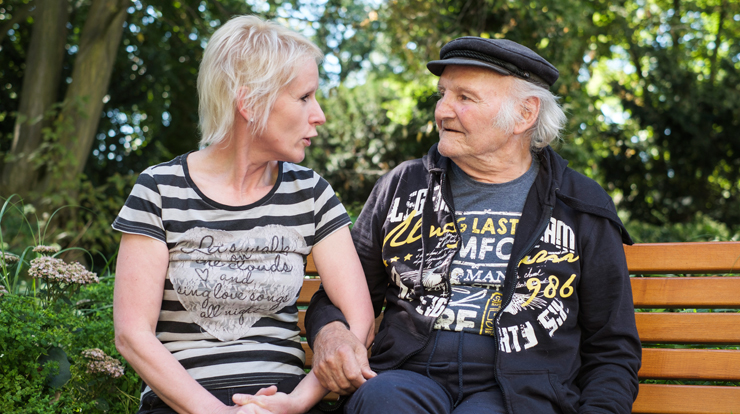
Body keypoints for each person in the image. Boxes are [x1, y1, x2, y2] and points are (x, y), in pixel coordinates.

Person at [302, 36, 641, 414]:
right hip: (406, 374)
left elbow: (612, 350)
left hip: (519, 393)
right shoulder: (403, 186)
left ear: (525, 114)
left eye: (465, 98)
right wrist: (330, 333)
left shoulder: (580, 205)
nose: (443, 111)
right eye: (442, 95)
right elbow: (337, 297)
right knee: (383, 400)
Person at [112, 15, 374, 414]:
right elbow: (132, 335)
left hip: (287, 401)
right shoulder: (159, 190)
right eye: (304, 97)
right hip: (182, 404)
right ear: (250, 103)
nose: (318, 114)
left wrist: (297, 402)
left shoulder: (311, 193)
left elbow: (360, 321)